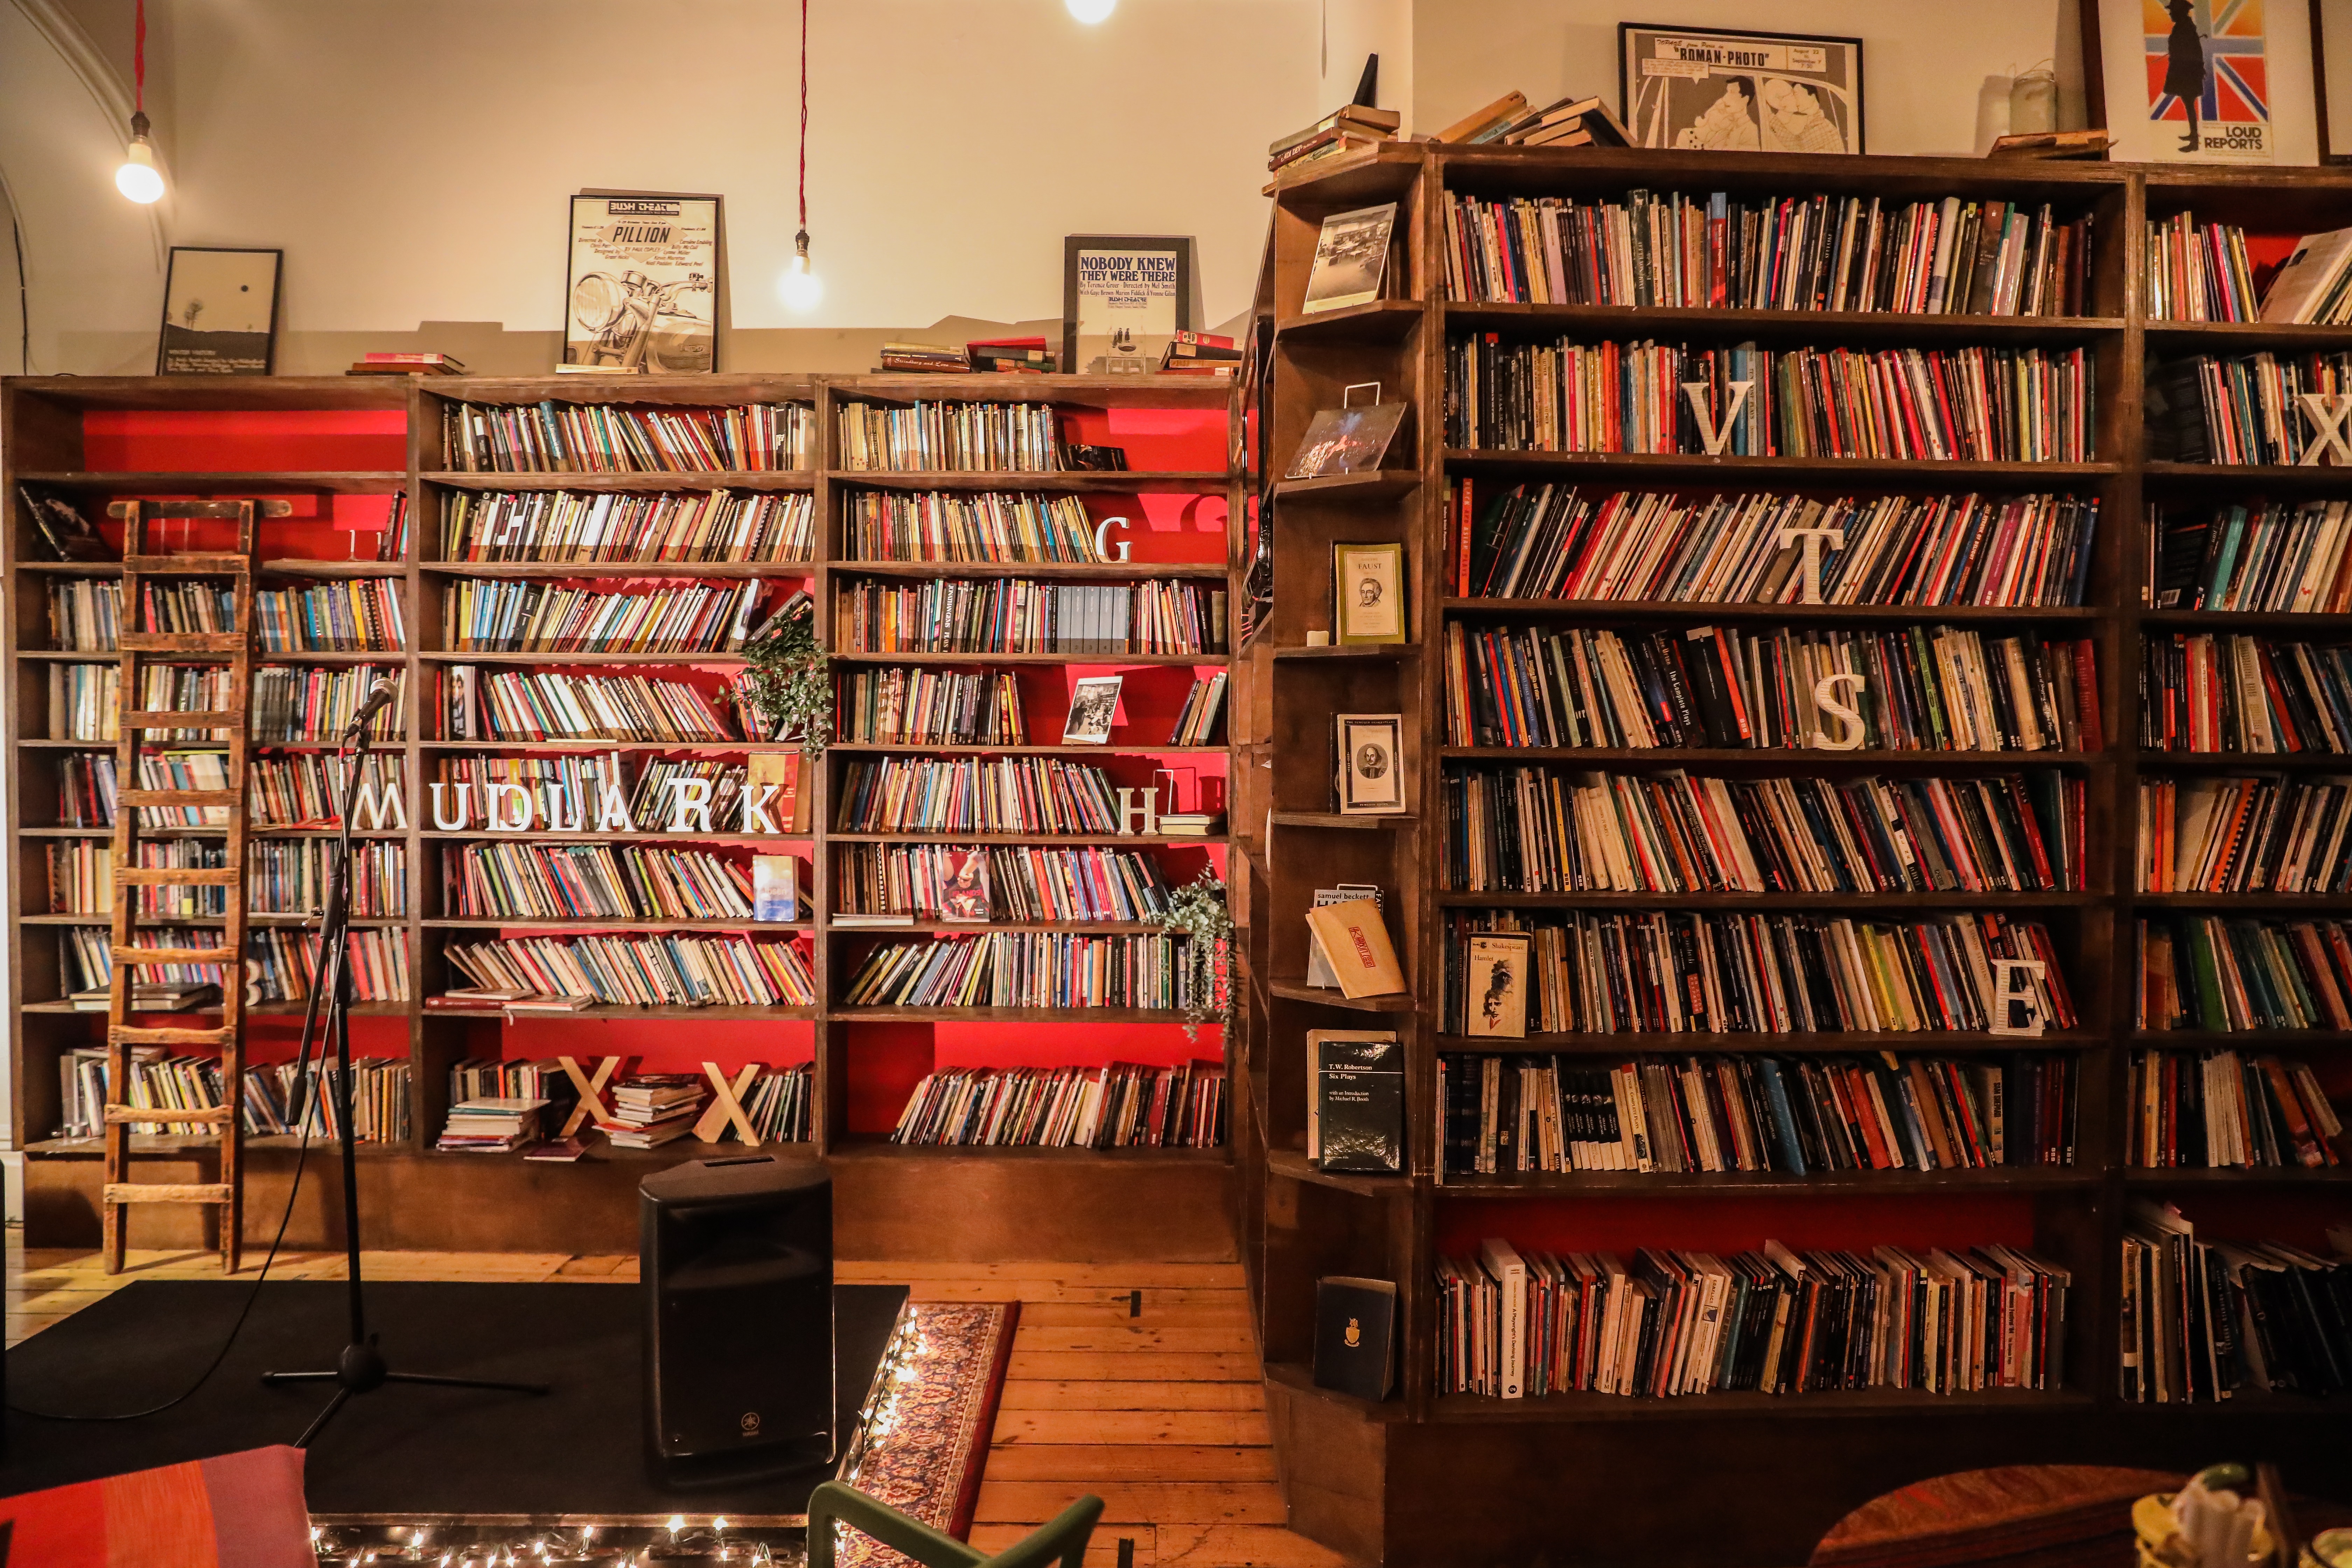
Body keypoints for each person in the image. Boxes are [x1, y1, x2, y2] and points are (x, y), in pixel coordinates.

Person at [2165, 0, 2208, 154]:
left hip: (2187, 74)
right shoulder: (2183, 27)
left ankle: (2195, 142)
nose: (2170, 14)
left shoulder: (2186, 28)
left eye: (2172, 11)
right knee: (2188, 104)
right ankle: (2193, 135)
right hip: (2185, 73)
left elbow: (2194, 52)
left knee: (2189, 104)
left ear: (2179, 12)